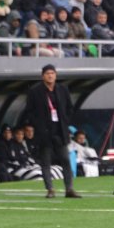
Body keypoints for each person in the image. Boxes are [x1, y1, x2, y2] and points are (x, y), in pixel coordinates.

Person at [23, 64, 81, 198]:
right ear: (43, 76)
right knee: (46, 161)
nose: (50, 75)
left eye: (52, 73)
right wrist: (37, 125)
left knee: (65, 159)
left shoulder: (62, 89)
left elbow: (69, 108)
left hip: (60, 129)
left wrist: (65, 120)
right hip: (44, 131)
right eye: (48, 73)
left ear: (56, 75)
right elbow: (29, 111)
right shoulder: (35, 91)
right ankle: (50, 189)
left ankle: (69, 189)